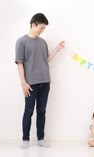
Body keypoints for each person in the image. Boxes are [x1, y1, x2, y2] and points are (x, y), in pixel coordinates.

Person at [15, 13, 65, 148]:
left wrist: (57, 50)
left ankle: (40, 138)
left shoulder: (42, 42)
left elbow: (46, 60)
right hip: (30, 84)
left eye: (44, 28)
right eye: (41, 28)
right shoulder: (21, 42)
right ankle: (25, 139)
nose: (42, 31)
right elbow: (19, 63)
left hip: (45, 82)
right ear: (33, 25)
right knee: (28, 111)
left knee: (41, 112)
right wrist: (23, 83)